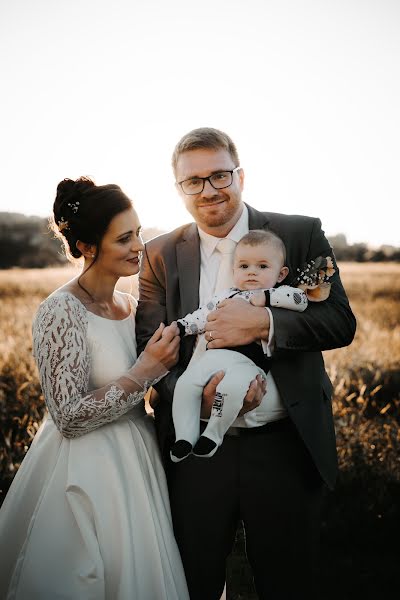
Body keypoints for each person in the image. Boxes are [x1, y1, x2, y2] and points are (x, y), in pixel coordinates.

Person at [135, 127, 356, 600]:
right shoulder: (157, 255)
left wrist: (262, 325)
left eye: (219, 175)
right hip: (193, 454)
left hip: (285, 445)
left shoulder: (299, 234)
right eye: (192, 181)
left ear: (241, 175)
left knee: (290, 582)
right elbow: (149, 347)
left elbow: (339, 321)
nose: (209, 190)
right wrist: (198, 394)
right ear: (178, 189)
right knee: (193, 580)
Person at [0, 177, 189, 600]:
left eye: (138, 233)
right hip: (84, 466)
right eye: (124, 238)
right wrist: (144, 373)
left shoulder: (134, 307)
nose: (139, 245)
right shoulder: (60, 311)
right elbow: (67, 417)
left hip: (138, 457)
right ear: (87, 247)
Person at [171, 229, 312, 462]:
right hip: (214, 357)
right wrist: (182, 326)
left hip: (249, 362)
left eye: (263, 267)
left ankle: (213, 435)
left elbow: (301, 300)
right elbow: (201, 316)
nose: (252, 273)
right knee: (186, 385)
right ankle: (184, 437)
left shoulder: (279, 294)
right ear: (234, 270)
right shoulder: (225, 296)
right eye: (244, 266)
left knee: (232, 389)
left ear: (281, 273)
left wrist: (266, 298)